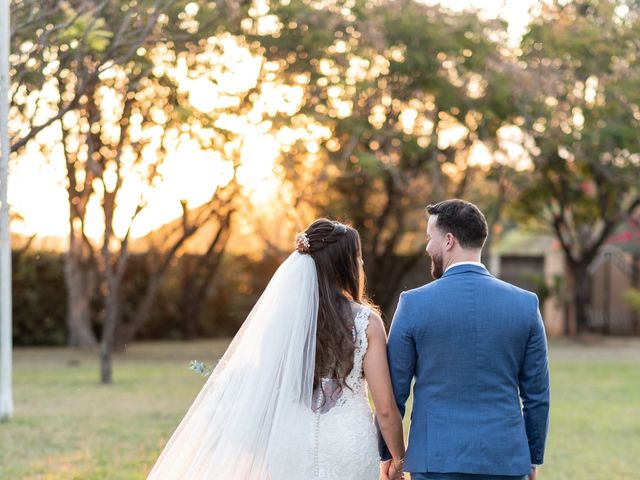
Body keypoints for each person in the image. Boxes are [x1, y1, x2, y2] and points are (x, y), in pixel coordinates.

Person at [148, 218, 405, 480]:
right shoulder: (366, 323)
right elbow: (385, 410)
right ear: (343, 264)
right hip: (348, 443)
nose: (360, 264)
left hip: (291, 441)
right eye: (357, 257)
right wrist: (398, 459)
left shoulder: (280, 322)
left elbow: (267, 393)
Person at [380, 199, 550, 480]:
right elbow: (537, 396)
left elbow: (394, 392)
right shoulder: (525, 304)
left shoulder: (412, 304)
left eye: (429, 237)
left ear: (448, 241)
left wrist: (389, 454)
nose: (426, 247)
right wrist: (532, 457)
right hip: (505, 461)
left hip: (435, 462)